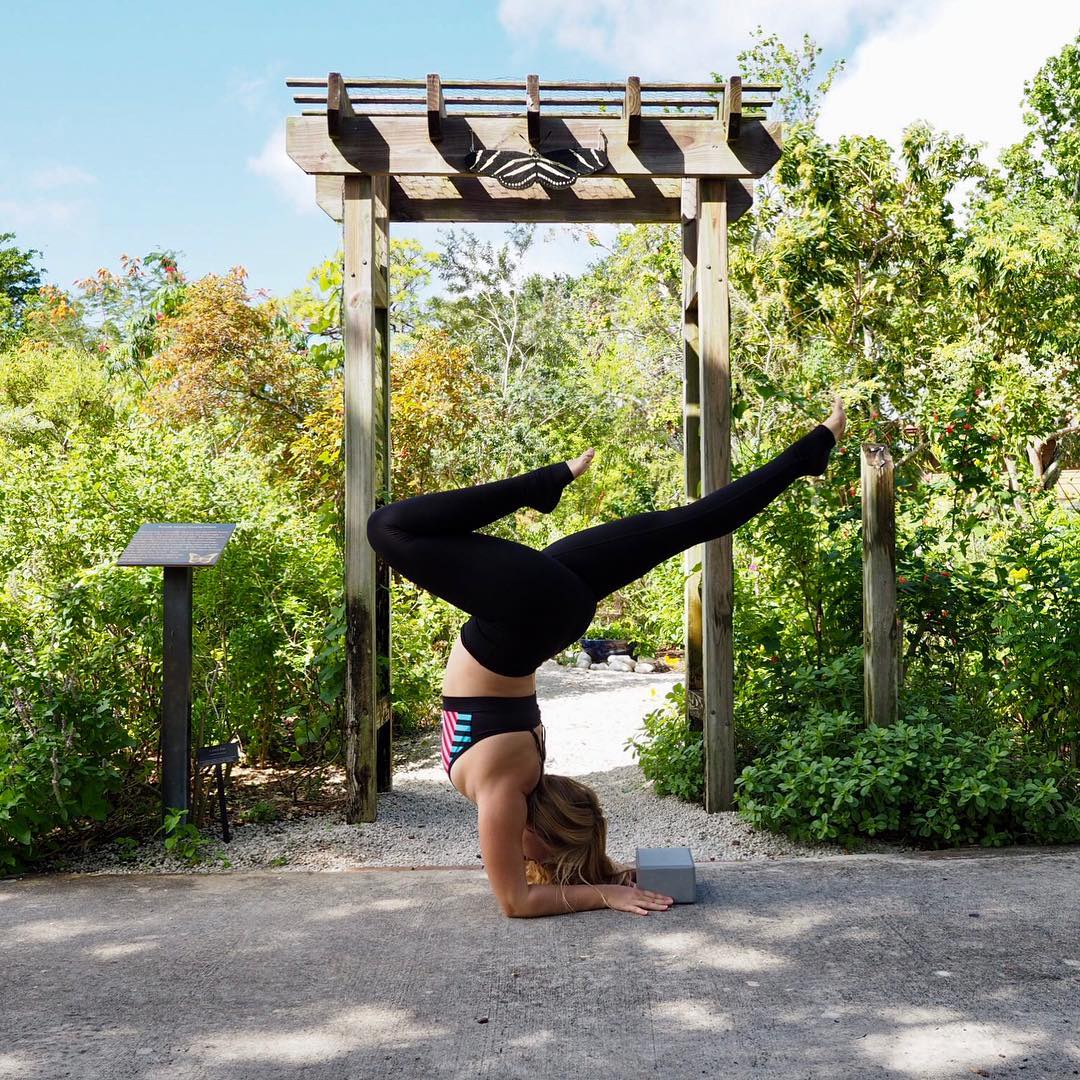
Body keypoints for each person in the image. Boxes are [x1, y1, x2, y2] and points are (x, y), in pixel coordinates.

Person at [366, 395, 847, 918]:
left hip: (541, 617)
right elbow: (515, 901)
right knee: (388, 529)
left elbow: (538, 877)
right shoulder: (505, 792)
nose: (514, 856)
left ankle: (809, 453)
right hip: (524, 618)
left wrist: (601, 871)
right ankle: (540, 486)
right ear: (541, 840)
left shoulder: (523, 774)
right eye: (538, 858)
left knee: (690, 523)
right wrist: (606, 888)